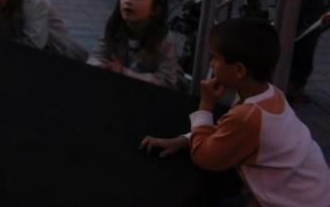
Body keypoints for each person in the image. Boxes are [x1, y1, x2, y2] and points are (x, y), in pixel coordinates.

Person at [140, 18, 330, 206]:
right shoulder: (271, 94)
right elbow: (226, 132)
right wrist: (185, 140)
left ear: (239, 70)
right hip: (313, 190)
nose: (211, 64)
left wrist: (206, 105)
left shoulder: (248, 117)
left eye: (215, 58)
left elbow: (204, 157)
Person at [87, 0, 180, 89]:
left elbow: (167, 82)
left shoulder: (165, 40)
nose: (128, 1)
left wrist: (125, 73)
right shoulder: (114, 29)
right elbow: (96, 56)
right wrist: (100, 65)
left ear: (155, 9)